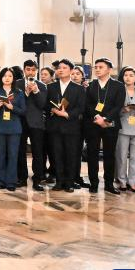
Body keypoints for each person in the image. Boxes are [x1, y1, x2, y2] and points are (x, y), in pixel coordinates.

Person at [82, 58, 126, 194]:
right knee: (92, 154)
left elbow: (118, 105)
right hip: (93, 123)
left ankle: (109, 184)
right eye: (96, 67)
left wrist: (106, 118)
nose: (97, 69)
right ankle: (93, 183)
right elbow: (87, 104)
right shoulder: (91, 85)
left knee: (109, 154)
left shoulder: (118, 86)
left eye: (101, 67)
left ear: (109, 69)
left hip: (110, 124)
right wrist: (97, 117)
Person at [46, 59, 86, 193]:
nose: (60, 70)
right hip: (55, 126)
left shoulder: (79, 88)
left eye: (64, 67)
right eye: (58, 68)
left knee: (71, 154)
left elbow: (81, 107)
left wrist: (67, 114)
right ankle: (59, 181)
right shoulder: (51, 87)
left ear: (70, 70)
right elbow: (45, 104)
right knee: (56, 155)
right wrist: (53, 110)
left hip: (72, 126)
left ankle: (69, 182)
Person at [0, 68, 26, 191]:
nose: (7, 78)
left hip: (14, 128)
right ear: (1, 78)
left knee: (13, 155)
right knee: (0, 155)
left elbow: (23, 111)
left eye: (10, 76)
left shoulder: (19, 92)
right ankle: (0, 180)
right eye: (4, 76)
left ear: (13, 78)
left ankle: (11, 182)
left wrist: (12, 107)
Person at [116, 67, 135, 193]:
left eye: (131, 75)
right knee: (121, 156)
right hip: (123, 126)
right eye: (125, 75)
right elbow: (113, 109)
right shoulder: (118, 91)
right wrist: (123, 110)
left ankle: (133, 182)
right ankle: (122, 181)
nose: (128, 77)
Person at [20, 60, 49, 191]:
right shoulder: (18, 83)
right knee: (20, 150)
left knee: (38, 152)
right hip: (20, 121)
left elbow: (43, 105)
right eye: (28, 69)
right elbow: (16, 103)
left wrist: (36, 91)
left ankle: (38, 178)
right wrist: (25, 93)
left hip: (36, 123)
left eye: (33, 69)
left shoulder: (42, 86)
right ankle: (22, 177)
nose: (30, 72)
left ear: (36, 70)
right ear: (24, 70)